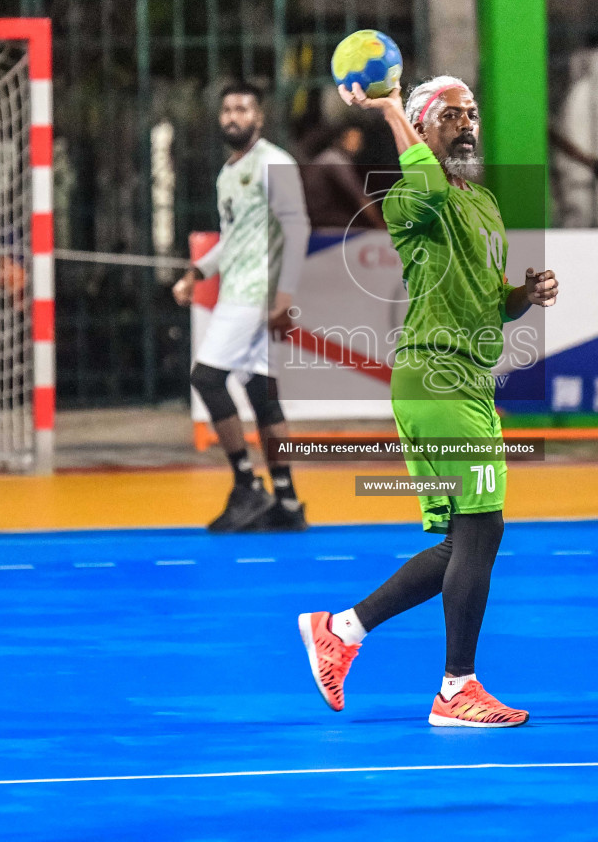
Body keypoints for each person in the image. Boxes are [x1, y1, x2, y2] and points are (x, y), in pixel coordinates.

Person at [297, 75, 559, 727]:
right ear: (421, 128)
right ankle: (455, 690)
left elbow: (487, 301)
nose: (467, 124)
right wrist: (392, 111)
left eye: (471, 113)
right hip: (436, 377)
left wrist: (524, 293)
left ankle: (342, 629)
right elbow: (430, 186)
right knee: (484, 526)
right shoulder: (410, 194)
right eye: (449, 117)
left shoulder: (485, 202)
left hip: (465, 381)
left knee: (457, 542)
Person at [173, 82, 311, 533]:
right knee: (260, 395)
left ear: (260, 117)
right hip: (240, 288)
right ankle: (288, 502)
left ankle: (246, 485)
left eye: (243, 109)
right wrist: (197, 272)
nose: (234, 116)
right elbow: (232, 241)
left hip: (258, 295)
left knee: (206, 378)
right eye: (227, 110)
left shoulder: (274, 162)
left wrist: (284, 296)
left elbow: (298, 228)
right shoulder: (228, 172)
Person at [301, 123, 387, 233]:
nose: (357, 144)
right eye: (353, 139)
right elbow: (360, 198)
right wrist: (381, 225)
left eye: (359, 140)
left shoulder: (332, 157)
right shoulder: (334, 160)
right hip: (326, 223)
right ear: (341, 138)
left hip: (323, 219)